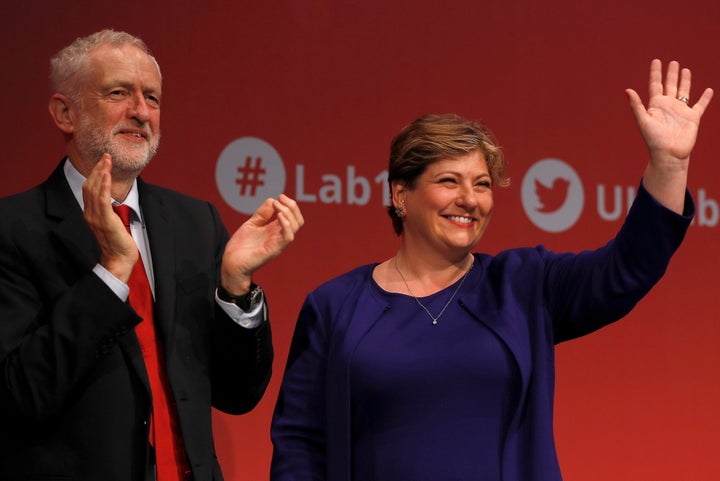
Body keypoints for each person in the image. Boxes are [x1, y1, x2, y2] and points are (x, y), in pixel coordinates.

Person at [269, 59, 712, 481]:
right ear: (400, 194)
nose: (471, 199)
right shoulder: (335, 306)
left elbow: (627, 269)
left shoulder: (523, 285)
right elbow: (299, 444)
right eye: (449, 181)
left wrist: (669, 165)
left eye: (482, 184)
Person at [0, 29, 303, 481]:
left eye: (153, 99)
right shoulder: (13, 228)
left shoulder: (195, 223)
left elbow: (239, 394)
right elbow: (17, 396)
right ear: (65, 113)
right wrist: (111, 273)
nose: (140, 112)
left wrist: (236, 288)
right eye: (118, 93)